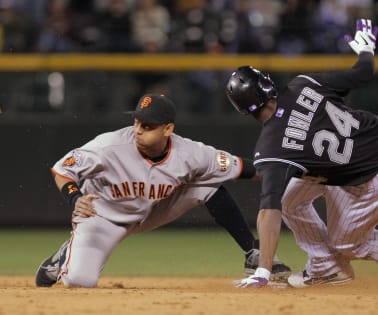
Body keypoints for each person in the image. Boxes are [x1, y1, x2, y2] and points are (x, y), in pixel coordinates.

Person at [227, 18, 378, 288]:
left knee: (346, 242)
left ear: (242, 111)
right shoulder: (305, 84)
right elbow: (363, 73)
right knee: (290, 200)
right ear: (268, 84)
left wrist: (263, 270)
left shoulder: (271, 149)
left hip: (373, 179)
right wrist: (366, 49)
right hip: (376, 139)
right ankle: (325, 268)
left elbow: (268, 209)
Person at [35, 93, 290, 288]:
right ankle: (67, 252)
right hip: (101, 217)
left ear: (168, 129)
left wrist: (293, 170)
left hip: (150, 211)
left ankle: (251, 251)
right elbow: (62, 169)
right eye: (136, 122)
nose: (137, 130)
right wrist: (75, 197)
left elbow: (245, 168)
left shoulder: (190, 153)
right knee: (80, 281)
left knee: (207, 183)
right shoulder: (108, 146)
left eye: (147, 126)